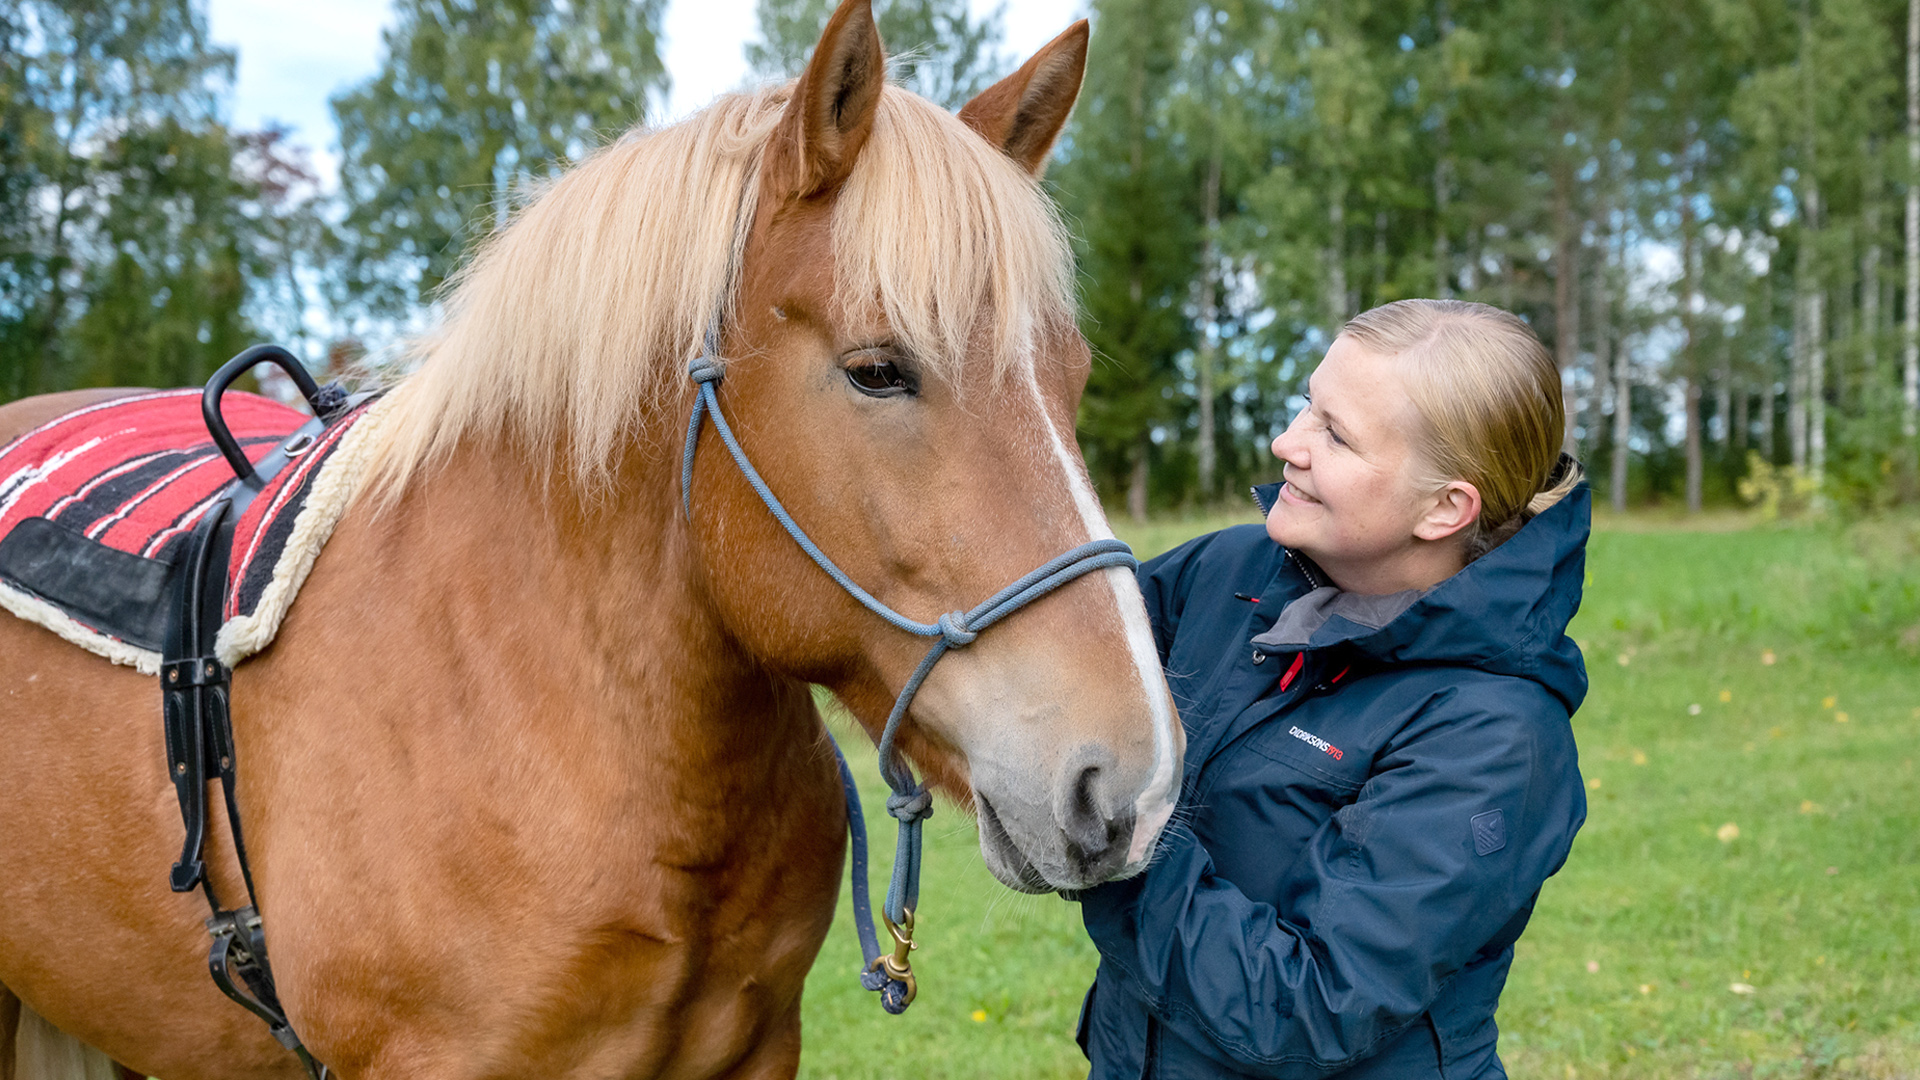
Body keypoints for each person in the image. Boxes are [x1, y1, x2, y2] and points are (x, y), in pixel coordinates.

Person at [1073, 298, 1589, 1079]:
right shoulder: (1231, 573)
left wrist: (1116, 835)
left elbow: (1308, 1009)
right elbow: (1062, 659)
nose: (1288, 444)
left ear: (1446, 508)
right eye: (1307, 405)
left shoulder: (1495, 736)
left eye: (1336, 435)